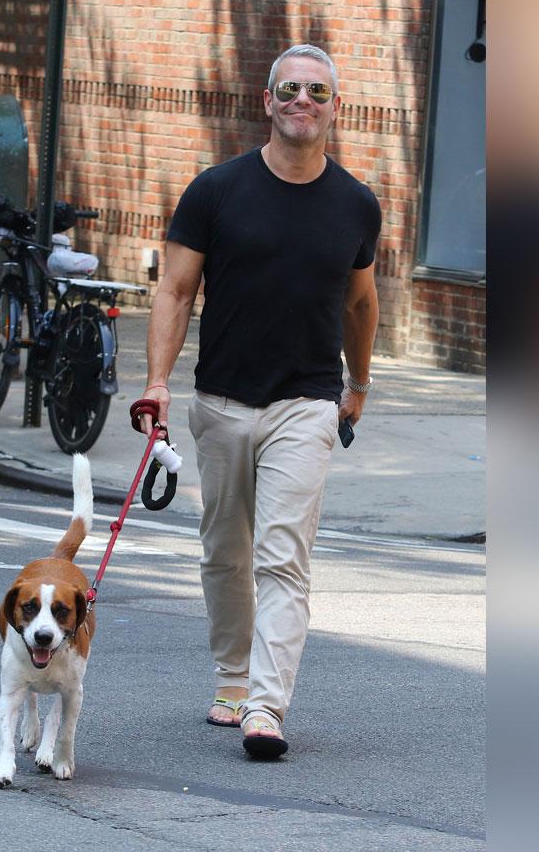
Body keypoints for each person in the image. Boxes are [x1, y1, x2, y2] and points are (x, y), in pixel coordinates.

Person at [137, 44, 381, 759]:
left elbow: (361, 303)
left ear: (336, 107)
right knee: (224, 550)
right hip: (221, 400)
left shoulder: (355, 204)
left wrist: (358, 384)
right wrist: (157, 381)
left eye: (317, 91)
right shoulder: (216, 191)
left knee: (282, 557)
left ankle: (266, 708)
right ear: (267, 101)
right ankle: (232, 676)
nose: (303, 100)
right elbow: (175, 292)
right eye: (290, 89)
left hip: (306, 403)